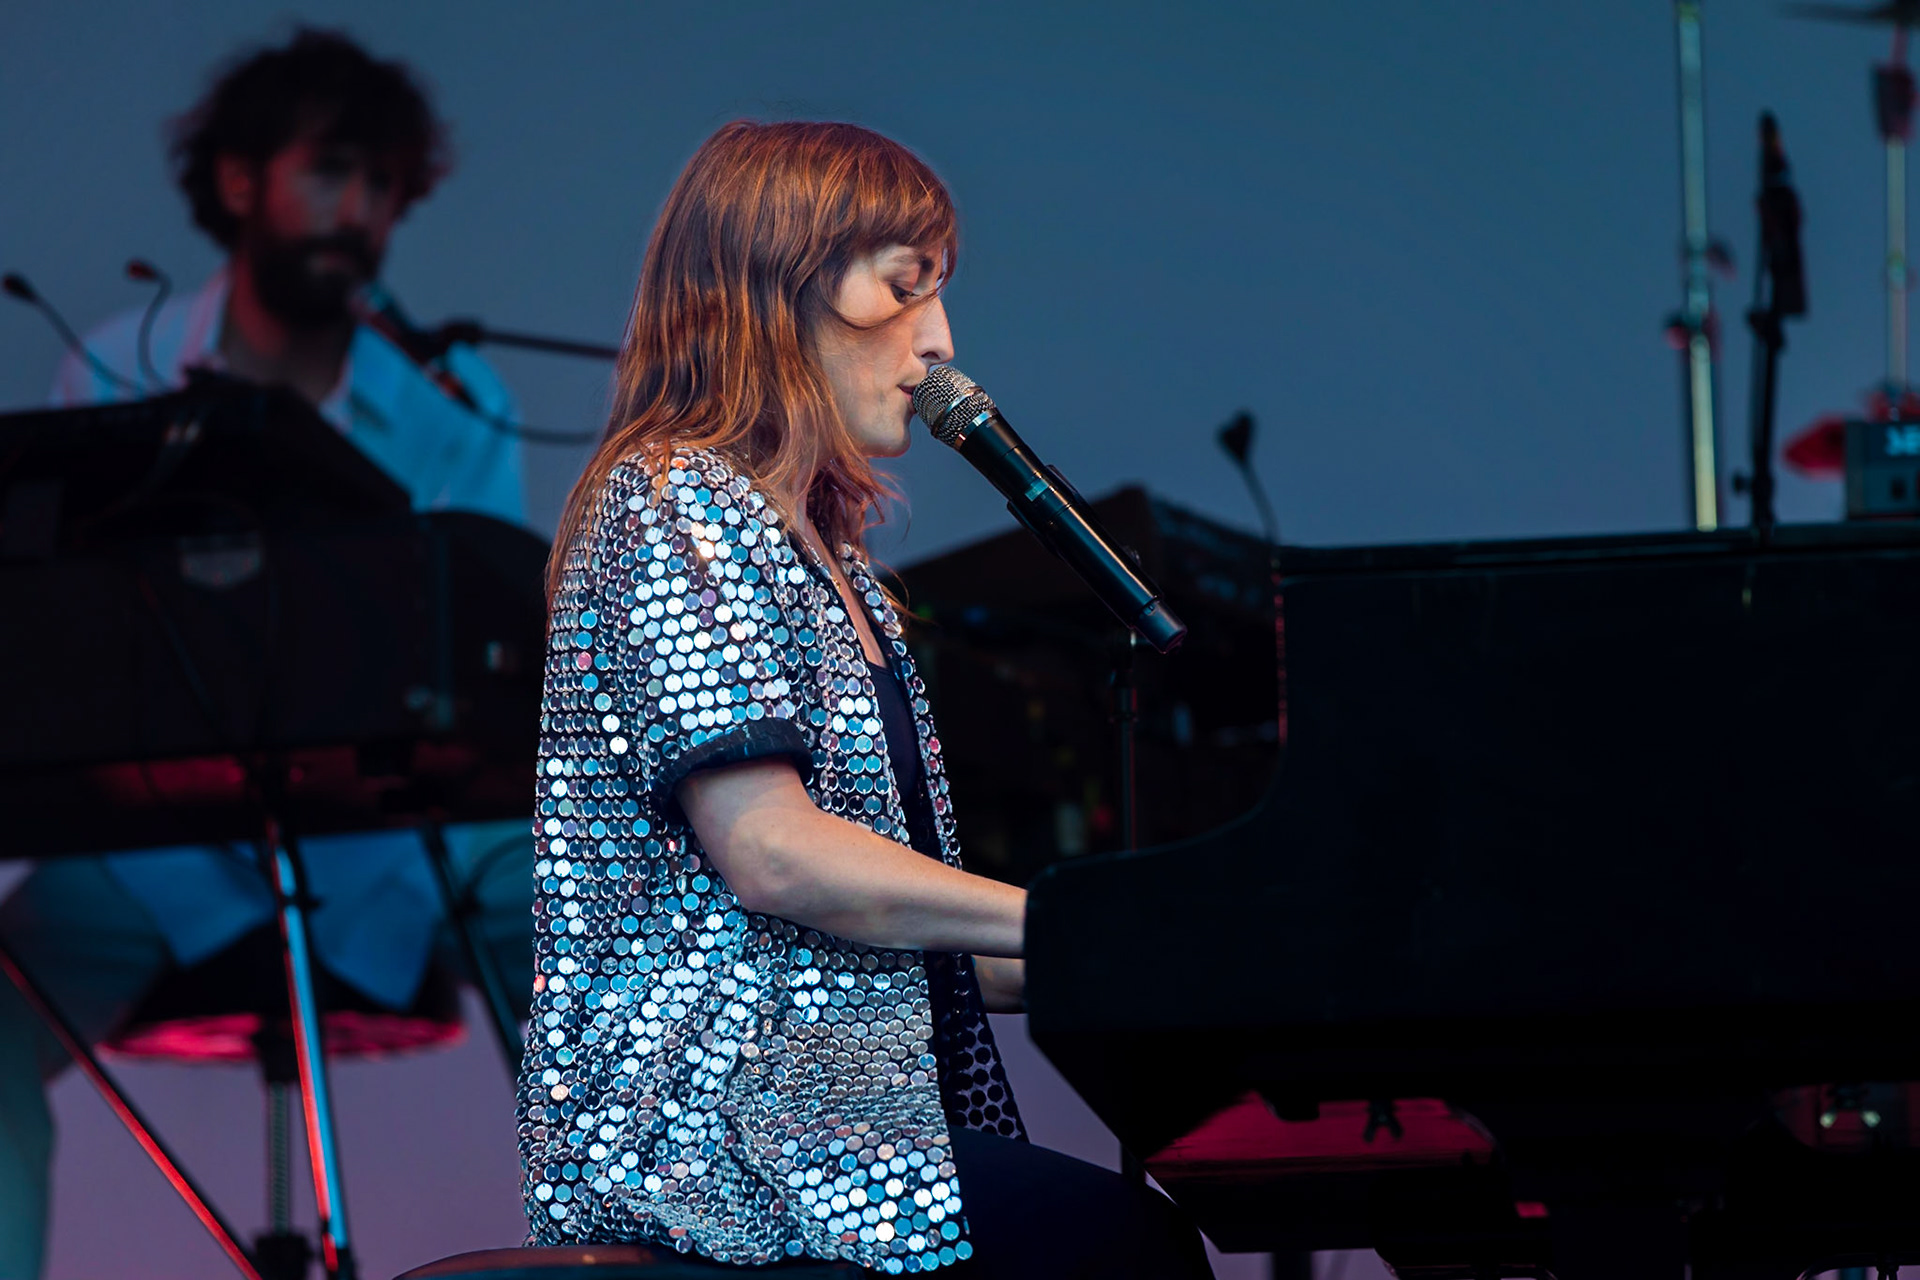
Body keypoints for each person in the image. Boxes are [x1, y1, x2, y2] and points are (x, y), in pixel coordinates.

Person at [519, 120, 1213, 1279]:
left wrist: (1171, 956)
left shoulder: (835, 565)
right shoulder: (672, 500)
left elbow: (908, 944)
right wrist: (1073, 924)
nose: (939, 343)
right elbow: (778, 858)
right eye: (904, 290)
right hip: (720, 1134)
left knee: (1129, 1236)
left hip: (835, 1116)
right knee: (1124, 1246)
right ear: (781, 285)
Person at [0, 29, 533, 1278]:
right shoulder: (116, 365)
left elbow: (490, 670)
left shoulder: (459, 401)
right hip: (167, 849)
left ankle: (665, 1252)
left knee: (607, 946)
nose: (360, 214)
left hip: (398, 840)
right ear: (239, 182)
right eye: (332, 171)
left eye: (384, 189)